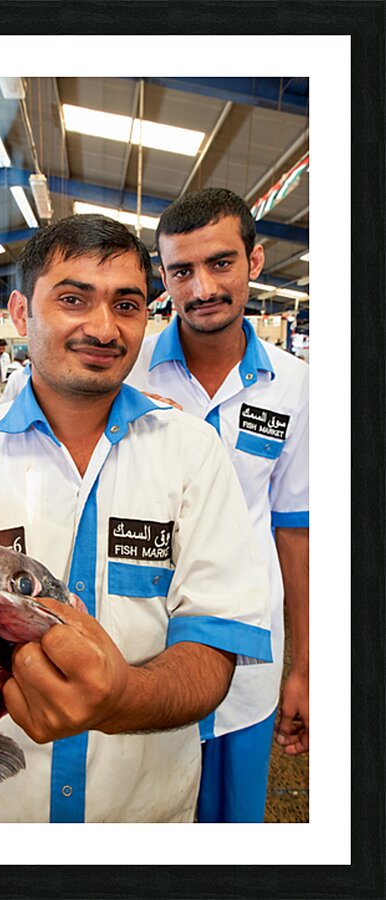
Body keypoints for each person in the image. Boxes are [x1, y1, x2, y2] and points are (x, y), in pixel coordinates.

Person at [0, 214, 271, 824]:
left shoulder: (191, 451)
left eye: (126, 304)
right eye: (73, 299)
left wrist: (122, 697)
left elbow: (215, 640)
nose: (103, 328)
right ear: (21, 313)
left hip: (142, 822)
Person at [127, 187, 309, 823]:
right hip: (140, 648)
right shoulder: (130, 370)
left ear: (254, 261)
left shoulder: (295, 386)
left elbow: (295, 532)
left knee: (231, 831)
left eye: (221, 263)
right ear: (163, 277)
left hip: (247, 657)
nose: (202, 287)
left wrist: (303, 670)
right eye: (181, 270)